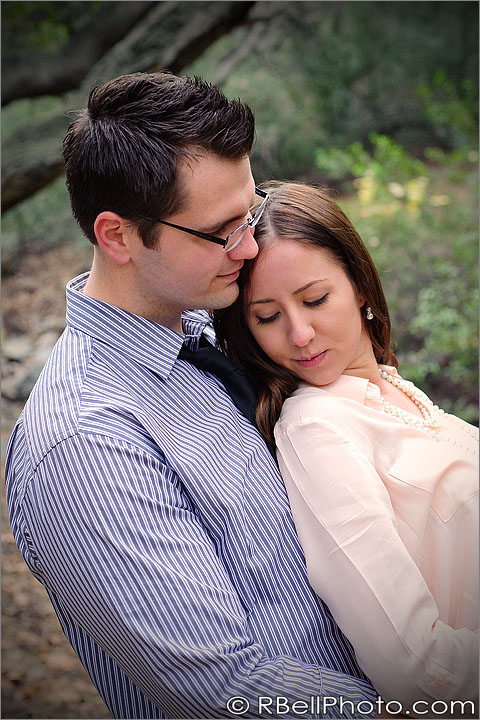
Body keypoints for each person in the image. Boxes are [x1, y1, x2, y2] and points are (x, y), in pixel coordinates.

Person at [5, 74, 377, 719]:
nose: (252, 246)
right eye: (221, 231)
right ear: (118, 237)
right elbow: (223, 688)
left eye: (251, 213)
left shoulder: (210, 322)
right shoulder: (87, 444)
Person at [213, 181, 479, 711]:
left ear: (359, 285)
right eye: (267, 316)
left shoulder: (394, 390)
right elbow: (415, 666)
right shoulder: (317, 429)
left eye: (315, 300)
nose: (301, 333)